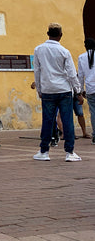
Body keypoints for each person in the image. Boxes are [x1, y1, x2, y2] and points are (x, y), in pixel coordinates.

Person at [33, 23, 82, 162]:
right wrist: (78, 91)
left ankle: (44, 151)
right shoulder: (64, 51)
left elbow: (37, 71)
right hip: (64, 89)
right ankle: (70, 152)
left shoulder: (38, 50)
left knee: (48, 121)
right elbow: (72, 74)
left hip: (48, 90)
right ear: (61, 35)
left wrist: (39, 89)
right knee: (67, 121)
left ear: (47, 33)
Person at [78, 37, 95, 143]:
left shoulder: (81, 57)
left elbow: (80, 75)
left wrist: (80, 90)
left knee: (93, 112)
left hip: (90, 89)